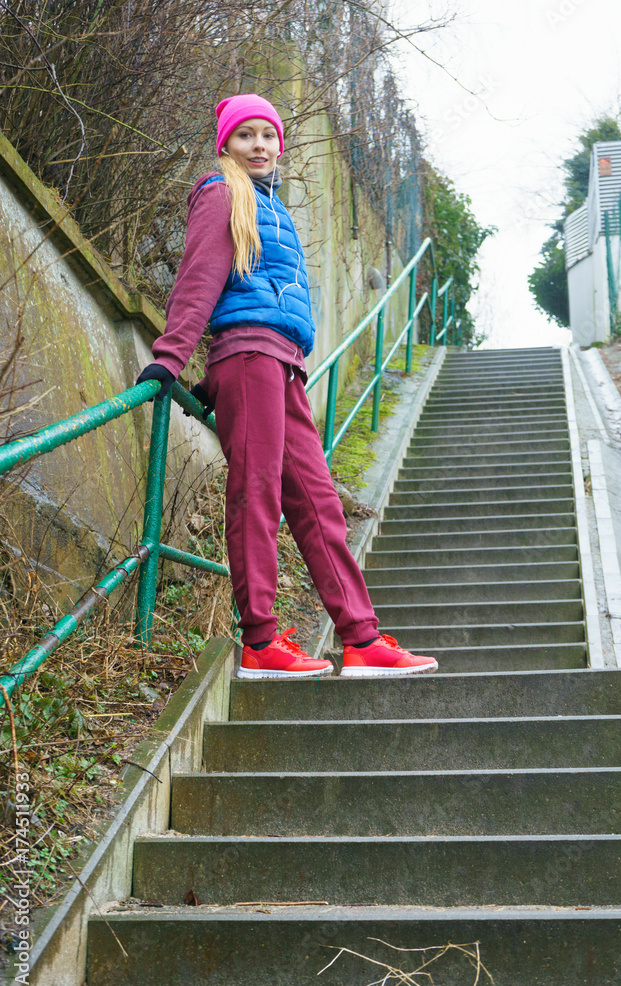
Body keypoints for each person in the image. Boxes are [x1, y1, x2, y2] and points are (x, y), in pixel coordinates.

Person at [136, 93, 437, 681]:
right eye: (245, 136)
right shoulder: (223, 193)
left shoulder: (273, 206)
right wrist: (170, 359)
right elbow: (199, 278)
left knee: (319, 501)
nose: (260, 146)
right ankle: (260, 642)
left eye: (268, 136)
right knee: (258, 492)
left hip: (282, 364)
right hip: (248, 357)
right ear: (226, 144)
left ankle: (361, 638)